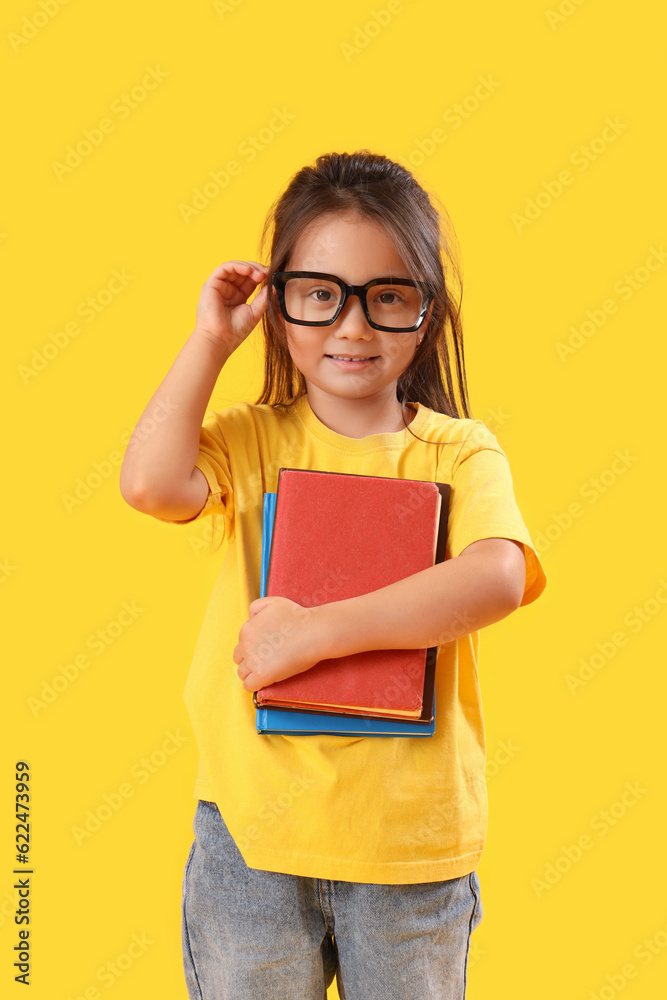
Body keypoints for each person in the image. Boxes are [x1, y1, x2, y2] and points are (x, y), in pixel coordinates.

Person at [120, 150, 547, 1000]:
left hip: (408, 849)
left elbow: (496, 577)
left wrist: (312, 635)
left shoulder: (459, 452)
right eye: (321, 294)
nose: (352, 326)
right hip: (249, 841)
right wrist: (210, 339)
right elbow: (149, 484)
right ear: (278, 308)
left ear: (424, 315)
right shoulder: (251, 442)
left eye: (386, 297)